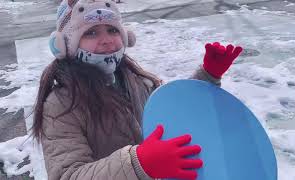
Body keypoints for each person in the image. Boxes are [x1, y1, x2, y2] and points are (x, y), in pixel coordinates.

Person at [31, 0, 243, 180]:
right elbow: (68, 175)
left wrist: (208, 76)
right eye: (91, 32)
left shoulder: (139, 81)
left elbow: (174, 117)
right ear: (66, 45)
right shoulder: (61, 105)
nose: (106, 40)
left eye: (112, 30)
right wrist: (138, 163)